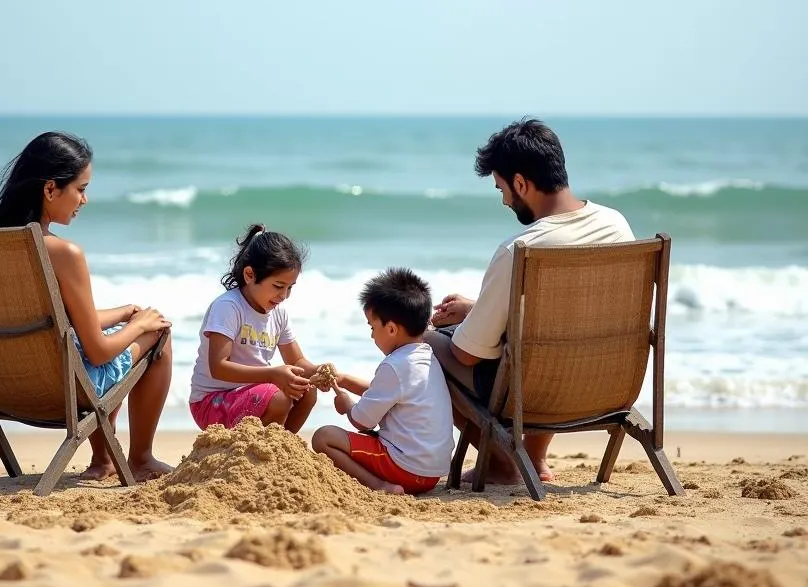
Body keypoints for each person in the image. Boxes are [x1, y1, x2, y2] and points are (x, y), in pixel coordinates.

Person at [428, 118, 635, 484]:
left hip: (540, 395)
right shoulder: (616, 225)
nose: (505, 200)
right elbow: (567, 314)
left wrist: (451, 329)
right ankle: (536, 459)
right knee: (554, 343)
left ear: (521, 183)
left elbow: (466, 355)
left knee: (423, 341)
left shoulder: (520, 251)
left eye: (502, 189)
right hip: (606, 386)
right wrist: (478, 309)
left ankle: (504, 463)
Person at [0, 131, 173, 482]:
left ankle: (104, 461)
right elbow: (98, 352)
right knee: (160, 334)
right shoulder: (64, 254)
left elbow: (55, 320)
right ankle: (140, 459)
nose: (85, 200)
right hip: (62, 392)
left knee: (110, 332)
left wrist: (125, 312)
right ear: (51, 189)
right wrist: (140, 327)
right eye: (81, 188)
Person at [312, 268, 453, 495]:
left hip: (406, 469)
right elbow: (389, 396)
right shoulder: (426, 357)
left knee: (324, 437)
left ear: (391, 329)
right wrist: (346, 381)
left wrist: (345, 405)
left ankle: (380, 487)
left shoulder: (393, 365)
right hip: (431, 473)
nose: (371, 335)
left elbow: (362, 422)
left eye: (372, 327)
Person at [189, 224, 330, 432]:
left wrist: (319, 371)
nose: (284, 296)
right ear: (249, 275)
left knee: (307, 391)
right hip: (211, 403)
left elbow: (297, 361)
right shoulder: (229, 307)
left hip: (254, 393)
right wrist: (272, 374)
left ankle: (278, 448)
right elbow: (218, 367)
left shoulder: (278, 313)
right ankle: (259, 452)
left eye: (290, 288)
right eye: (278, 286)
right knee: (279, 398)